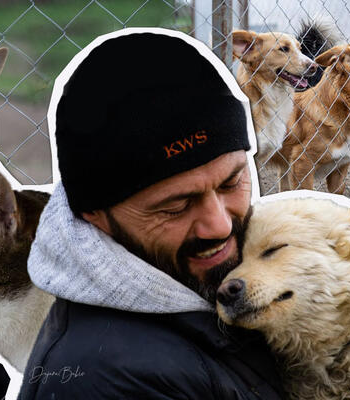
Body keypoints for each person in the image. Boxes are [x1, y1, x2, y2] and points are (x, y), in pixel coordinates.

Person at [17, 28, 283, 399]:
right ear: (93, 213)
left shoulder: (209, 283)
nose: (220, 226)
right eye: (176, 206)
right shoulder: (104, 383)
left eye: (231, 183)